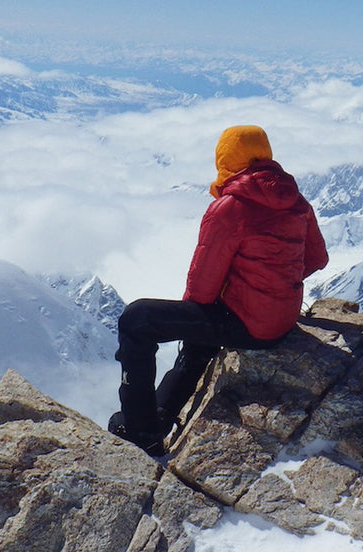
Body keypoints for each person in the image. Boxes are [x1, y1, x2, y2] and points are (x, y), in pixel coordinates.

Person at [109, 124, 329, 455]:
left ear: (227, 157)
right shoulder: (296, 201)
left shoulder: (230, 207)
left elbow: (202, 289)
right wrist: (273, 284)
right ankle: (163, 411)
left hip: (249, 326)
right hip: (282, 321)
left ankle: (141, 430)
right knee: (203, 333)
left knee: (137, 319)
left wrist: (234, 297)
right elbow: (317, 258)